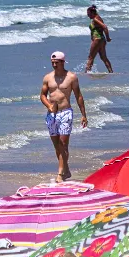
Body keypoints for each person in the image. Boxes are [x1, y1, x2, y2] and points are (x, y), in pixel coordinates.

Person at [41, 50, 88, 181]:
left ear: (62, 62)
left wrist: (84, 115)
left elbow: (78, 96)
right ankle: (66, 170)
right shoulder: (47, 78)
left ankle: (60, 173)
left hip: (66, 112)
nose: (54, 65)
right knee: (57, 145)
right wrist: (49, 106)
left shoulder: (71, 77)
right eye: (52, 63)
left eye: (56, 63)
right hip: (52, 114)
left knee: (63, 143)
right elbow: (42, 95)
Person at [85, 5, 113, 74]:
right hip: (102, 40)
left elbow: (105, 27)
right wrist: (106, 38)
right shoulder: (98, 18)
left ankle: (86, 73)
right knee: (103, 58)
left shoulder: (95, 19)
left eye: (89, 14)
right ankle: (111, 72)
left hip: (97, 40)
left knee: (90, 57)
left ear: (92, 13)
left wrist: (108, 38)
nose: (88, 16)